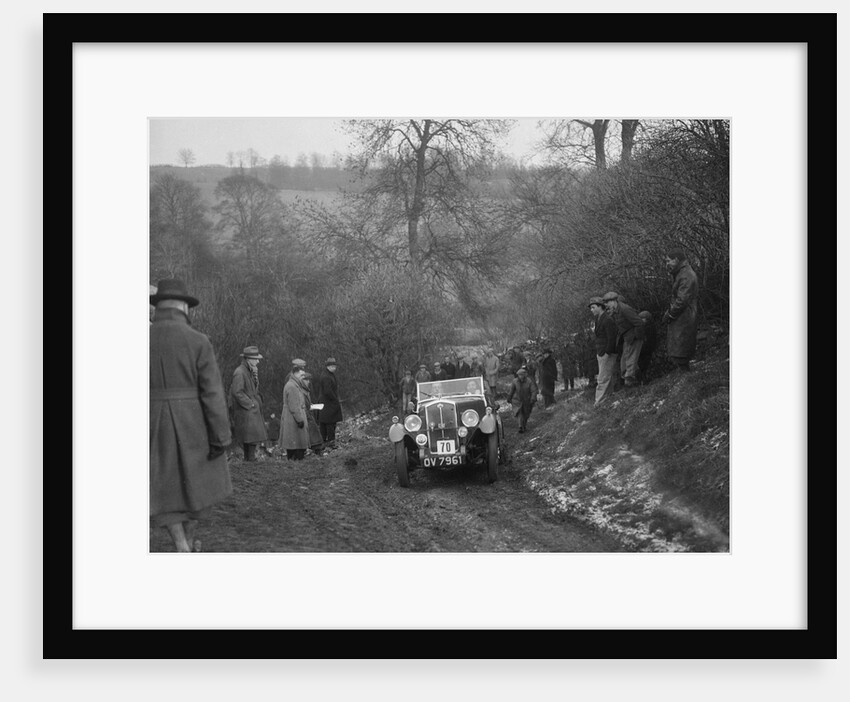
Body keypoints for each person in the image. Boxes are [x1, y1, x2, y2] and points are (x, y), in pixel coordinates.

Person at [149, 279, 232, 553]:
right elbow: (212, 394)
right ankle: (187, 543)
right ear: (184, 307)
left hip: (150, 422)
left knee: (164, 486)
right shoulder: (198, 341)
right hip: (192, 422)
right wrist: (220, 435)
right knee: (198, 486)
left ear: (158, 307)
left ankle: (180, 544)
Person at [229, 345, 269, 462]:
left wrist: (255, 377)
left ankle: (249, 460)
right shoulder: (240, 372)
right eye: (255, 359)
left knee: (251, 437)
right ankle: (250, 461)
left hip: (249, 410)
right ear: (248, 359)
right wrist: (250, 404)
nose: (257, 361)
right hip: (246, 411)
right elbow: (237, 392)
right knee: (250, 437)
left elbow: (253, 389)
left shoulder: (248, 371)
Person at [662, 248, 700, 372]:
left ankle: (685, 374)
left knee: (682, 345)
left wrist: (671, 314)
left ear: (676, 260)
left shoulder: (686, 275)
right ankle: (683, 372)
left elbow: (682, 300)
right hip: (684, 314)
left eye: (668, 261)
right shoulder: (682, 273)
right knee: (680, 344)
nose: (667, 264)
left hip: (684, 315)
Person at [602, 291, 645, 388]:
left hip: (634, 337)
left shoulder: (624, 309)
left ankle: (632, 384)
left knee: (630, 362)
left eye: (607, 303)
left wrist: (637, 337)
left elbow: (639, 323)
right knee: (624, 363)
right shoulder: (615, 311)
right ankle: (638, 381)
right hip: (627, 338)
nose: (606, 306)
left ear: (613, 301)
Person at [589, 296, 618, 405]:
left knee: (602, 379)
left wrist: (607, 353)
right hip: (601, 352)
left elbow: (612, 338)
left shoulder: (607, 320)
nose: (592, 310)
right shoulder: (598, 319)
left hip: (607, 353)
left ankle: (598, 403)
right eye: (591, 308)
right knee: (607, 378)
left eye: (593, 307)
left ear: (600, 307)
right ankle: (607, 400)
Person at [280, 365, 310, 460]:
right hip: (293, 420)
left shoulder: (293, 384)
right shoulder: (292, 386)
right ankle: (296, 464)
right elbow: (294, 406)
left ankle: (293, 463)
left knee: (293, 445)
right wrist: (300, 420)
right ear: (295, 374)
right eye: (301, 375)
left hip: (291, 419)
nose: (302, 378)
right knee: (296, 445)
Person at [316, 357, 343, 450]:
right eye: (332, 366)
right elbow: (328, 391)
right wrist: (335, 399)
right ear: (327, 366)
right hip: (328, 404)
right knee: (329, 424)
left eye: (334, 366)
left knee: (325, 424)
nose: (334, 368)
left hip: (326, 404)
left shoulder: (328, 374)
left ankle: (324, 443)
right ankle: (330, 443)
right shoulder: (326, 376)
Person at [506, 366, 538, 433]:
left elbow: (533, 391)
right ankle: (520, 426)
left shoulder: (529, 381)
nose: (520, 377)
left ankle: (524, 425)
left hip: (527, 400)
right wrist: (509, 398)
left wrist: (532, 399)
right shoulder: (515, 381)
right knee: (519, 413)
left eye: (522, 375)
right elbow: (511, 391)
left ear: (525, 375)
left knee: (526, 414)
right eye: (519, 375)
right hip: (517, 400)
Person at [301, 372, 325, 457]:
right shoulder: (301, 390)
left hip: (309, 414)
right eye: (306, 380)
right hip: (306, 415)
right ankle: (316, 450)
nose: (308, 382)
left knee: (314, 432)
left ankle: (317, 450)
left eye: (308, 380)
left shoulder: (306, 390)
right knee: (313, 433)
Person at [637, 310, 658, 384]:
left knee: (644, 366)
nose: (643, 321)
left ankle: (643, 380)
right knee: (643, 366)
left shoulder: (648, 328)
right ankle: (643, 379)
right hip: (645, 351)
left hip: (646, 351)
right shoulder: (648, 328)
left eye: (644, 319)